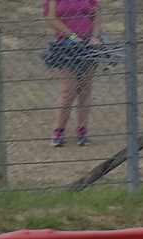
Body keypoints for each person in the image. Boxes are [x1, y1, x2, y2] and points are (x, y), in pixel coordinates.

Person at [44, 0, 100, 148]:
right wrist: (74, 37)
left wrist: (95, 36)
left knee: (85, 89)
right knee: (68, 90)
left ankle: (82, 131)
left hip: (88, 46)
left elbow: (96, 13)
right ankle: (58, 131)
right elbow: (51, 18)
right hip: (65, 46)